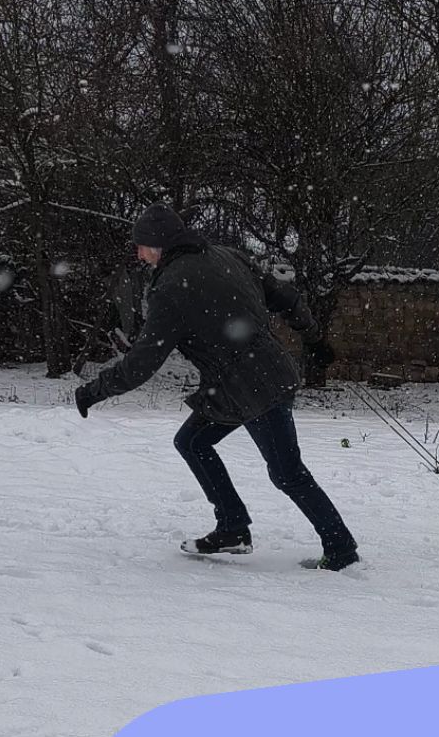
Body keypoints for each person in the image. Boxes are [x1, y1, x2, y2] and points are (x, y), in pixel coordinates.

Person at [74, 204, 359, 571]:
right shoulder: (226, 255)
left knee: (287, 473)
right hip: (242, 384)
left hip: (255, 388)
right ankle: (233, 528)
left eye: (142, 245)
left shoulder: (171, 288)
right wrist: (314, 338)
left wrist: (94, 391)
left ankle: (340, 549)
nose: (139, 254)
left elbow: (142, 363)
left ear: (159, 245)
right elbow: (283, 297)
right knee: (192, 441)